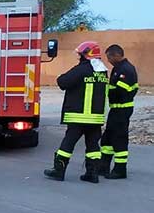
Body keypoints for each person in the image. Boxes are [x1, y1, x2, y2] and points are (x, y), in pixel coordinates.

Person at [44, 41, 109, 183]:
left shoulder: (82, 69)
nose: (79, 57)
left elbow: (62, 82)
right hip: (95, 118)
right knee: (93, 146)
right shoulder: (102, 71)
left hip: (79, 116)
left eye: (80, 54)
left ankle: (58, 171)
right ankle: (92, 174)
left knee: (67, 145)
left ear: (86, 54)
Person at [99, 44, 138, 179]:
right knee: (107, 139)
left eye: (109, 57)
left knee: (119, 139)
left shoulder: (125, 69)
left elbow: (122, 90)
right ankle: (103, 166)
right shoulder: (118, 68)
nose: (108, 60)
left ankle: (120, 170)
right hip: (115, 109)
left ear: (116, 55)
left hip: (122, 110)